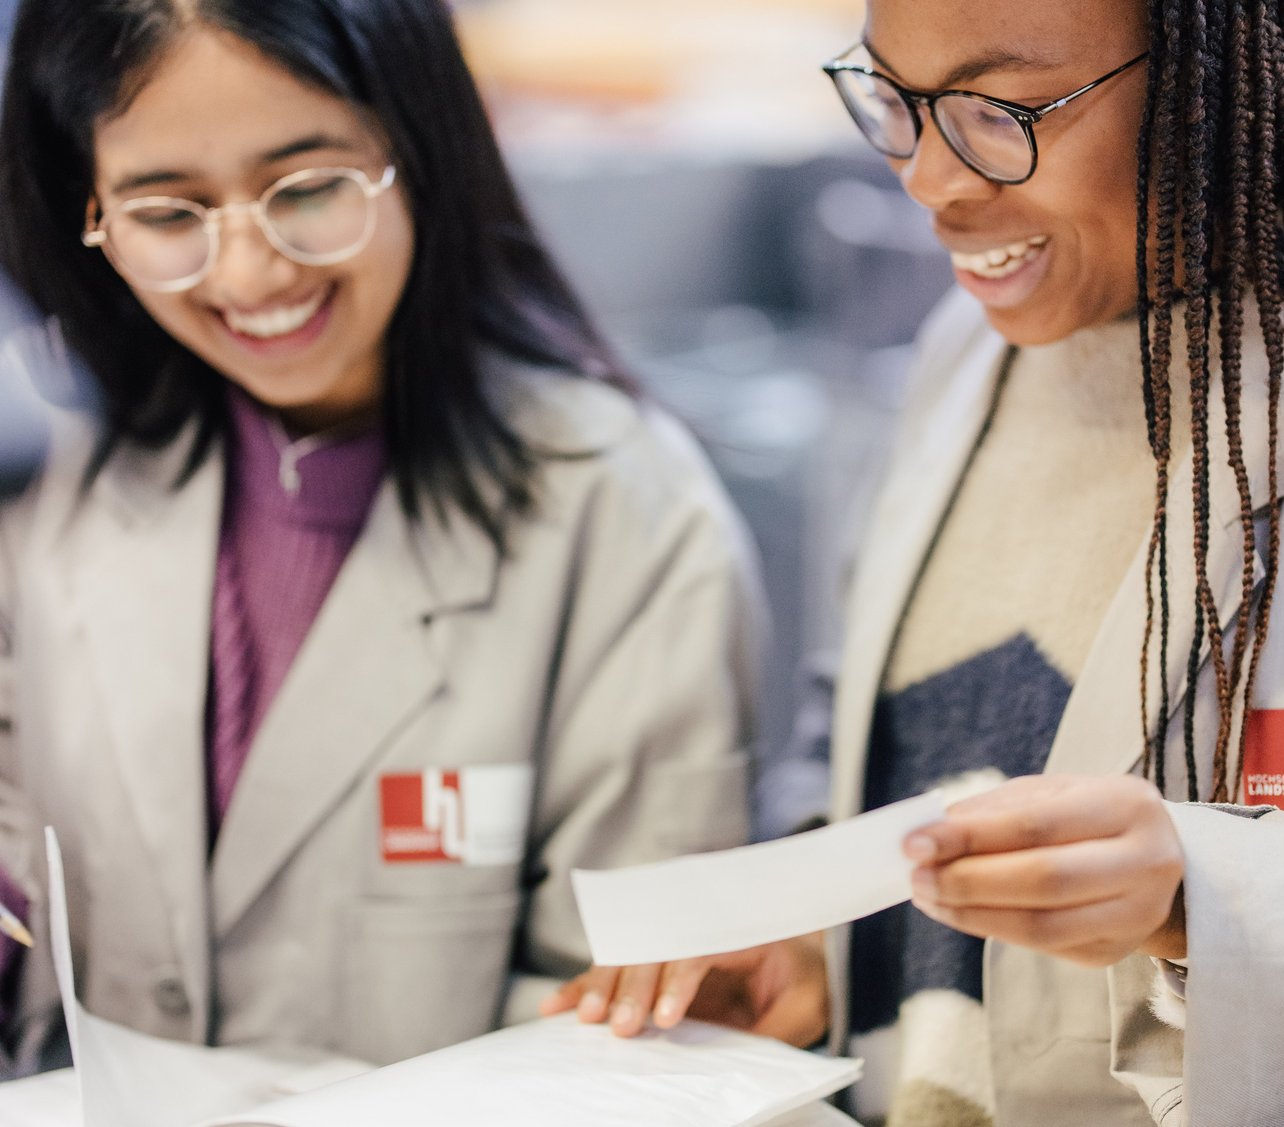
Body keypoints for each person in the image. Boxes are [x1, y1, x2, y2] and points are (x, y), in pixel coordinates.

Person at [549, 0, 1284, 1122]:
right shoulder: (959, 360)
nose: (928, 183)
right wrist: (820, 945)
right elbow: (859, 749)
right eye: (895, 103)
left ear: (1210, 77)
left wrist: (1210, 899)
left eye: (997, 110)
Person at [0, 0, 763, 1077]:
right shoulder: (55, 478)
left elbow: (633, 1013)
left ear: (419, 148)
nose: (250, 274)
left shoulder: (623, 511)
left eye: (308, 189)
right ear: (88, 210)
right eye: (168, 213)